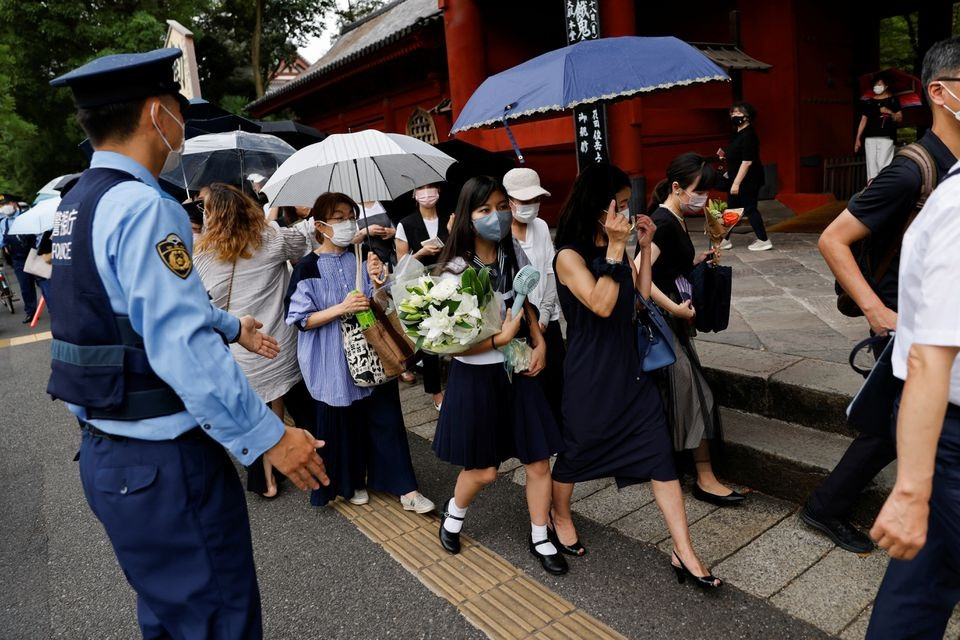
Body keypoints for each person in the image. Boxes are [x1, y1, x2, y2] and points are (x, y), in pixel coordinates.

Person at [46, 48, 329, 639]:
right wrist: (271, 437)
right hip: (165, 461)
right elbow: (181, 347)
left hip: (108, 456)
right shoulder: (145, 206)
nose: (182, 124)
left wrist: (230, 325)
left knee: (172, 620)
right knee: (217, 621)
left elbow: (127, 311)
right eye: (178, 110)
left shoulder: (78, 203)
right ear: (158, 114)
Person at [807, 38, 960, 554]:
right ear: (940, 93)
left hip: (938, 321)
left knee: (898, 422)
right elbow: (833, 239)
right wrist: (877, 312)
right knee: (895, 424)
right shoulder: (911, 168)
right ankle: (826, 507)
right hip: (904, 324)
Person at [550, 163, 721, 588]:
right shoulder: (568, 256)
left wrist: (642, 249)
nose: (627, 212)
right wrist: (615, 248)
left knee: (659, 454)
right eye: (621, 204)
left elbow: (638, 298)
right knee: (576, 452)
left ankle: (684, 551)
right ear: (598, 206)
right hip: (591, 372)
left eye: (628, 204)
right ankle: (559, 514)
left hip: (631, 367)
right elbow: (601, 304)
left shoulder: (617, 245)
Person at [431, 176, 568, 576]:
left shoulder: (512, 252)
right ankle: (454, 513)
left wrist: (539, 341)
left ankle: (540, 535)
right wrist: (498, 340)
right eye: (485, 209)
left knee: (538, 461)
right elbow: (450, 345)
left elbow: (525, 304)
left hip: (519, 369)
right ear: (468, 217)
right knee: (484, 470)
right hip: (476, 379)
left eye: (501, 207)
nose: (498, 216)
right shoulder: (454, 271)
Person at [864, 135, 960, 640]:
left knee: (921, 585)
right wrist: (909, 491)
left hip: (943, 423)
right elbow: (930, 355)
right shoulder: (940, 192)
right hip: (947, 421)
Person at [285, 191, 434, 514]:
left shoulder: (363, 254)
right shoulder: (307, 268)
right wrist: (341, 307)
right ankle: (352, 481)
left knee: (386, 418)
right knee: (343, 423)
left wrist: (379, 282)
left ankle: (406, 489)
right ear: (321, 226)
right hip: (330, 358)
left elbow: (380, 302)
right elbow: (300, 319)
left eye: (351, 217)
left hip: (373, 351)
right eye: (339, 218)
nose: (348, 223)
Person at [194, 183, 313, 498]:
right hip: (280, 344)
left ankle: (264, 479)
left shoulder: (200, 255)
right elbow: (306, 240)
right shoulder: (270, 238)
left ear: (212, 216)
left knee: (255, 409)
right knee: (289, 400)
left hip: (240, 348)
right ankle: (304, 462)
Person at [644, 153, 744, 506]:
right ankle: (704, 477)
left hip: (673, 317)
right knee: (695, 393)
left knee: (681, 394)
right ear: (676, 187)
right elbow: (638, 274)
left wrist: (697, 261)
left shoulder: (675, 217)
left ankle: (691, 470)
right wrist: (673, 308)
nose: (704, 198)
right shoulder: (663, 221)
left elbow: (669, 265)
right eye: (699, 191)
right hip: (662, 320)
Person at [504, 167, 565, 424]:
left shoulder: (540, 226)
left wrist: (545, 316)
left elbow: (550, 272)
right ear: (509, 201)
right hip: (517, 327)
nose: (530, 205)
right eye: (524, 200)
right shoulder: (501, 234)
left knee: (557, 385)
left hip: (547, 321)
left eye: (535, 200)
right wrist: (530, 323)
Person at [396, 182, 450, 409]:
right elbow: (401, 265)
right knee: (429, 340)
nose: (427, 193)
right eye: (421, 188)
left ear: (438, 191)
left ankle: (457, 382)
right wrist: (420, 253)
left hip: (449, 280)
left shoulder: (449, 218)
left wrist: (451, 233)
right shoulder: (406, 224)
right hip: (421, 286)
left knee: (455, 332)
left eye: (431, 187)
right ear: (414, 194)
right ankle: (436, 392)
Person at [716, 102, 770, 251]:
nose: (734, 116)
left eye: (738, 113)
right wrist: (724, 156)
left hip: (748, 179)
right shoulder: (737, 133)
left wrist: (736, 183)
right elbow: (737, 155)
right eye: (733, 113)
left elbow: (747, 162)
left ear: (747, 117)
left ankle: (764, 240)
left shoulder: (749, 135)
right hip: (737, 177)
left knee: (750, 208)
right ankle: (724, 239)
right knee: (732, 208)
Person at [855, 73, 903, 181]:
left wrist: (889, 112)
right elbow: (863, 120)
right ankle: (872, 188)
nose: (877, 87)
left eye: (879, 84)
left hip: (886, 138)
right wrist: (858, 138)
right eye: (875, 85)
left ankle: (884, 188)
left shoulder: (893, 100)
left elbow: (900, 118)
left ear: (886, 86)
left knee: (884, 166)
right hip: (870, 138)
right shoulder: (869, 102)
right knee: (871, 167)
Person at [0, 195, 38, 322]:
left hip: (34, 254)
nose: (4, 207)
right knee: (25, 286)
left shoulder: (26, 216)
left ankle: (54, 307)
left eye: (7, 203)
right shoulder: (3, 223)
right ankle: (31, 312)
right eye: (1, 205)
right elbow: (1, 240)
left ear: (14, 204)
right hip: (18, 259)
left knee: (43, 283)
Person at [356, 200, 397, 266]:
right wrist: (366, 231)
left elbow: (400, 227)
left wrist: (393, 232)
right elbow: (351, 240)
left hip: (392, 255)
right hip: (369, 260)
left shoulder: (385, 204)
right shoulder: (354, 210)